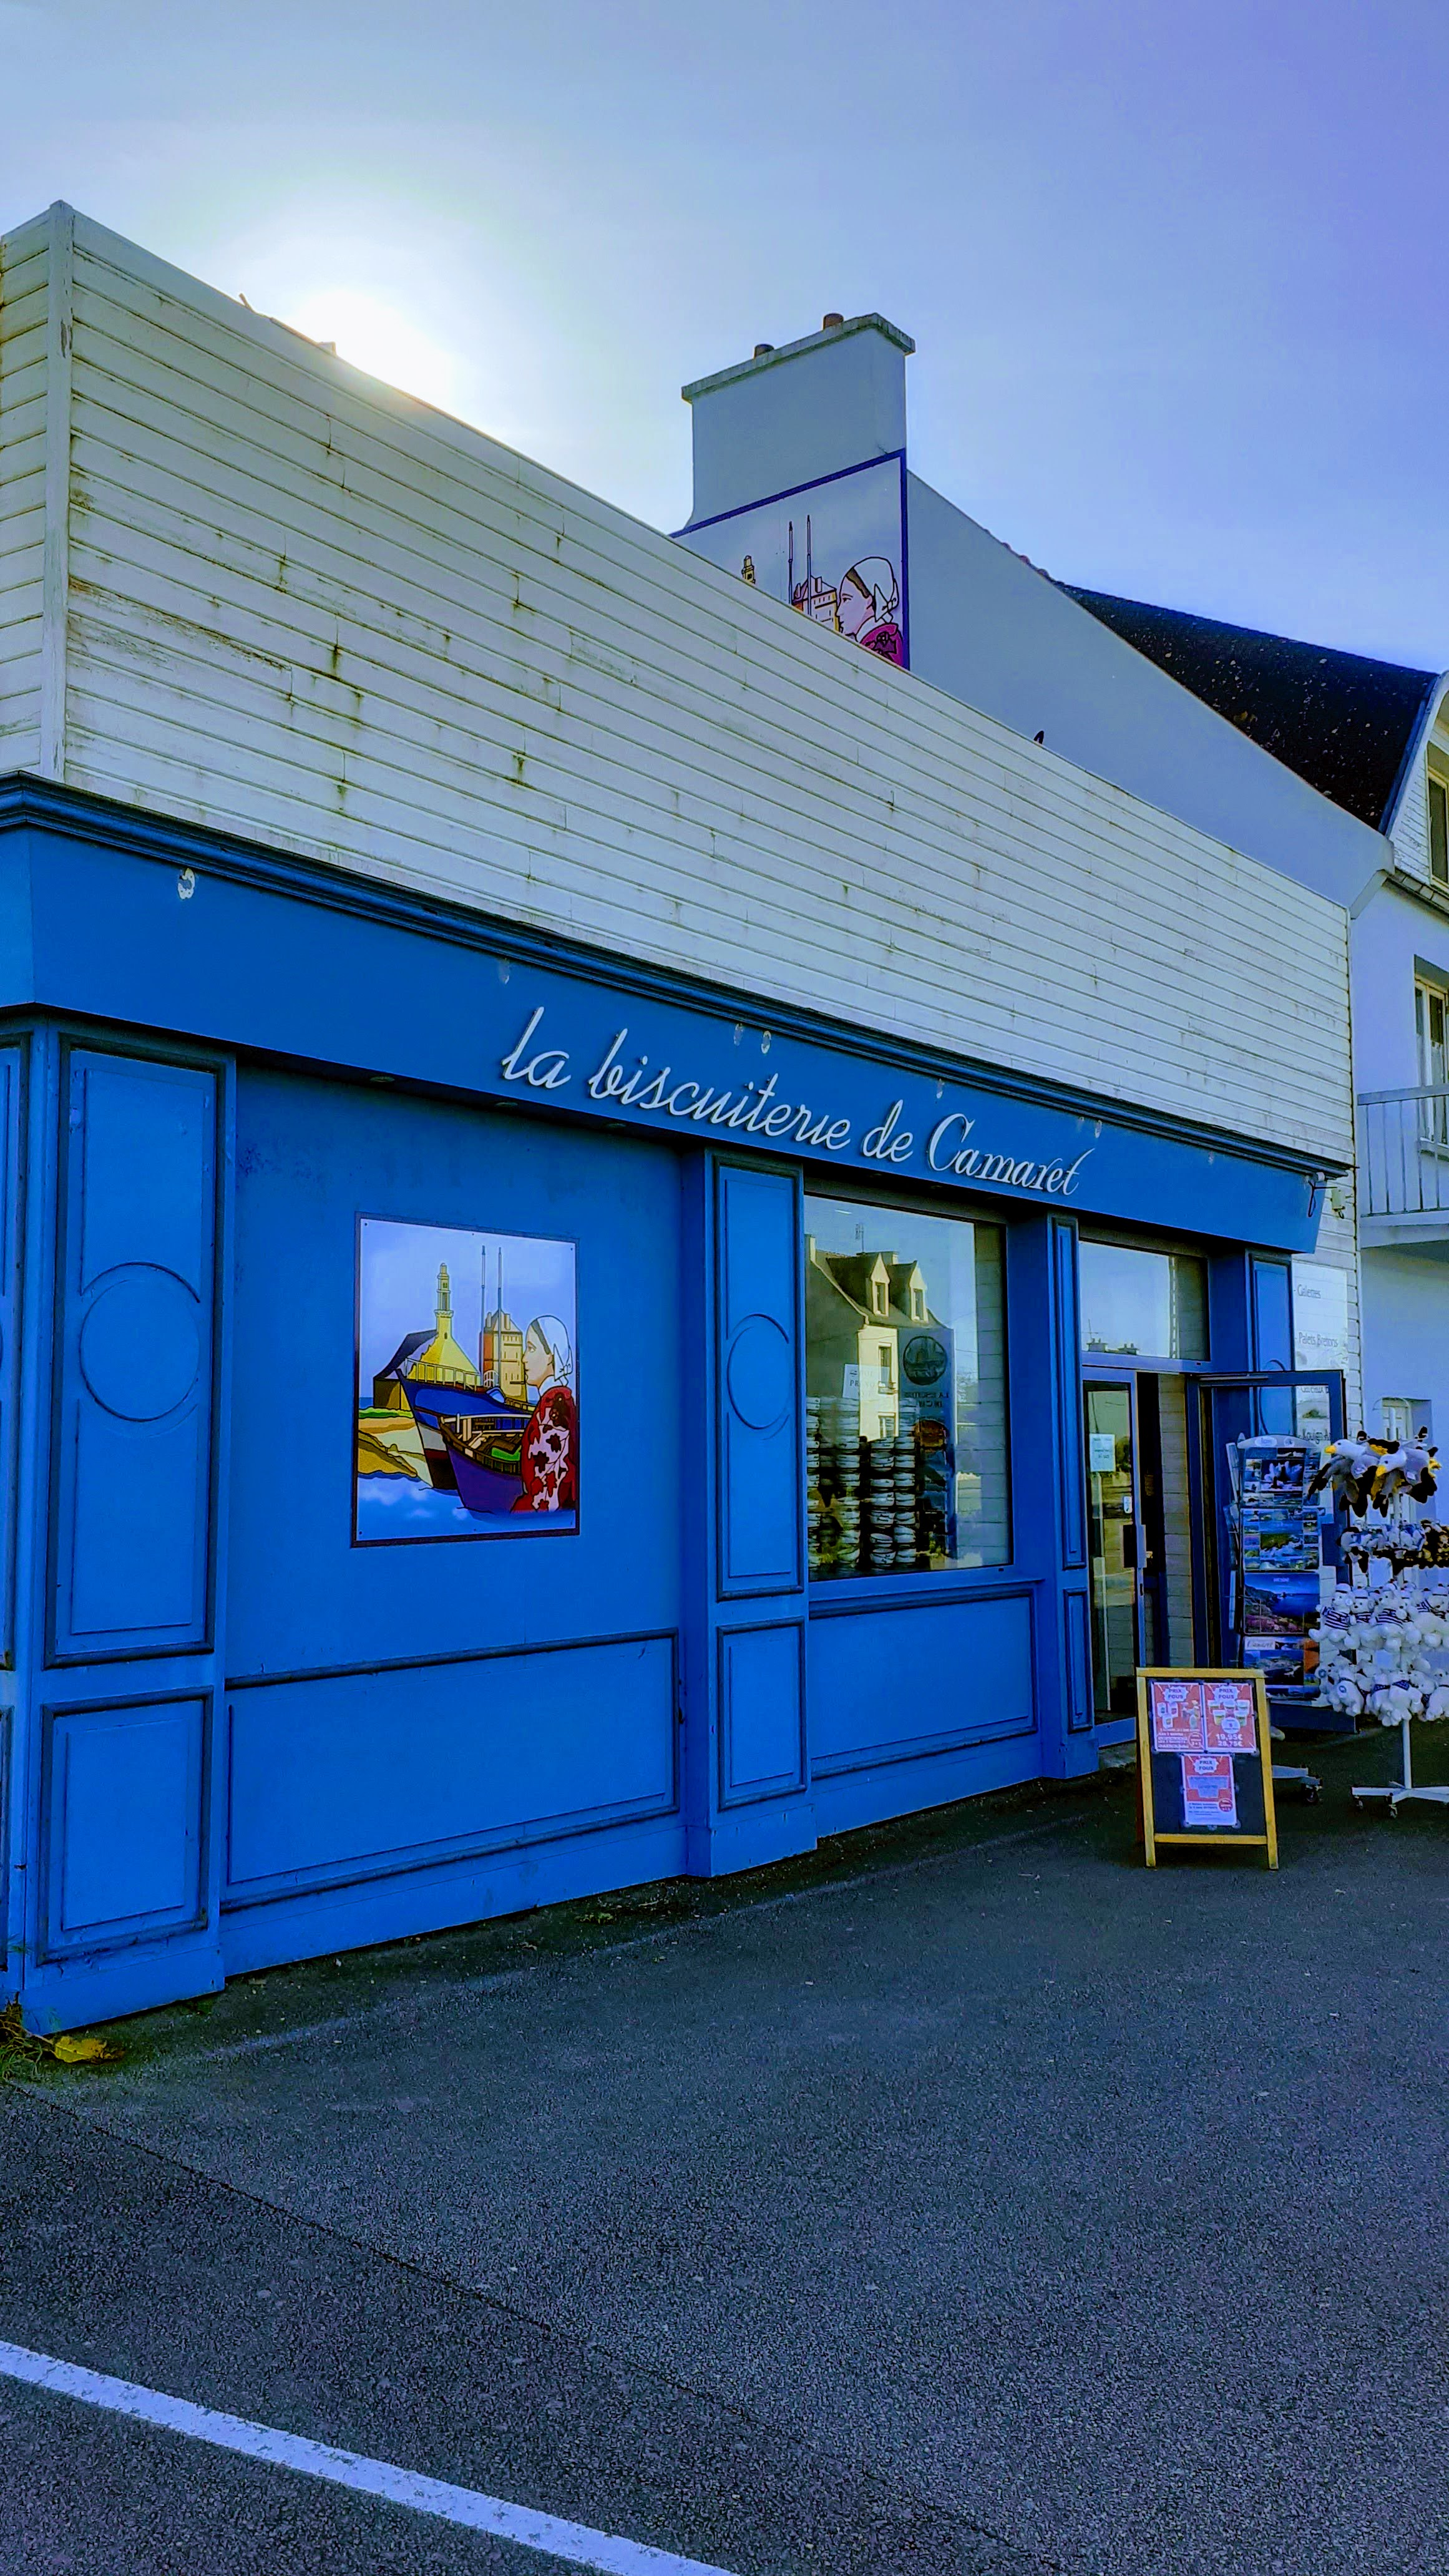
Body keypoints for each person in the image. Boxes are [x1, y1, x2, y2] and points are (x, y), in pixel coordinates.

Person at [836, 557, 905, 665]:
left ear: (869, 601)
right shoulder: (873, 641)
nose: (838, 612)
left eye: (846, 600)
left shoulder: (884, 644)